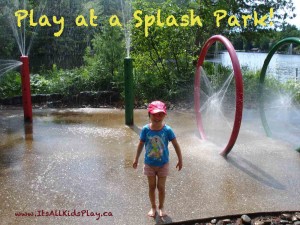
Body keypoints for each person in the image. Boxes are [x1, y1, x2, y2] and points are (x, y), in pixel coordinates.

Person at [132, 100, 183, 218]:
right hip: (149, 163)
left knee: (161, 187)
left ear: (165, 115)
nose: (157, 117)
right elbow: (140, 144)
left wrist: (180, 159)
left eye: (160, 114)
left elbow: (176, 144)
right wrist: (136, 158)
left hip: (163, 164)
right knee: (151, 187)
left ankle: (161, 206)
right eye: (154, 114)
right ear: (149, 114)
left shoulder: (167, 130)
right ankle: (153, 206)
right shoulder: (146, 130)